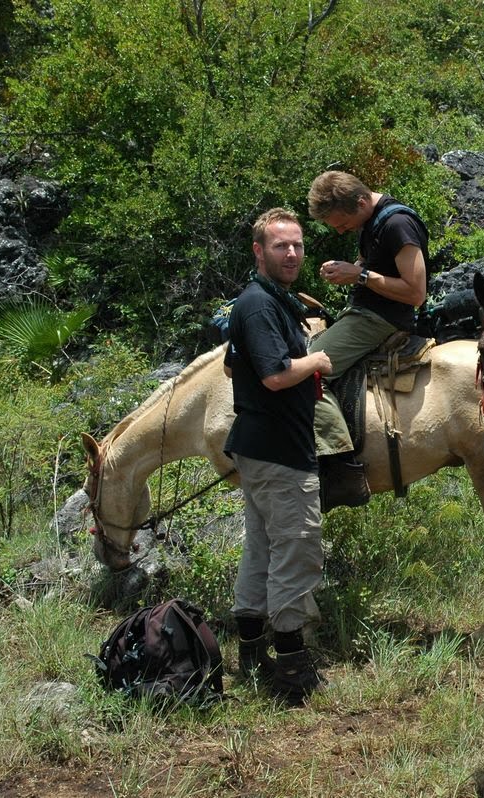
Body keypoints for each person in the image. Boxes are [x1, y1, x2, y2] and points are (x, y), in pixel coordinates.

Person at [223, 207, 331, 703]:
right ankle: (291, 667)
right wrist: (316, 359)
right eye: (280, 245)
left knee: (262, 548)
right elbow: (273, 375)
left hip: (258, 447)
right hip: (280, 452)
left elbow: (231, 367)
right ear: (259, 251)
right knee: (297, 548)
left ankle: (250, 651)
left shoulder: (264, 302)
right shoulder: (260, 305)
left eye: (297, 245)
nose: (291, 253)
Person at [305, 170, 430, 511]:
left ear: (360, 201)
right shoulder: (371, 223)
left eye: (342, 224)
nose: (340, 230)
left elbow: (416, 293)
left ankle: (340, 465)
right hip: (366, 314)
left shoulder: (397, 225)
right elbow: (378, 268)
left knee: (307, 371)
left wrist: (358, 274)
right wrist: (349, 268)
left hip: (380, 320)